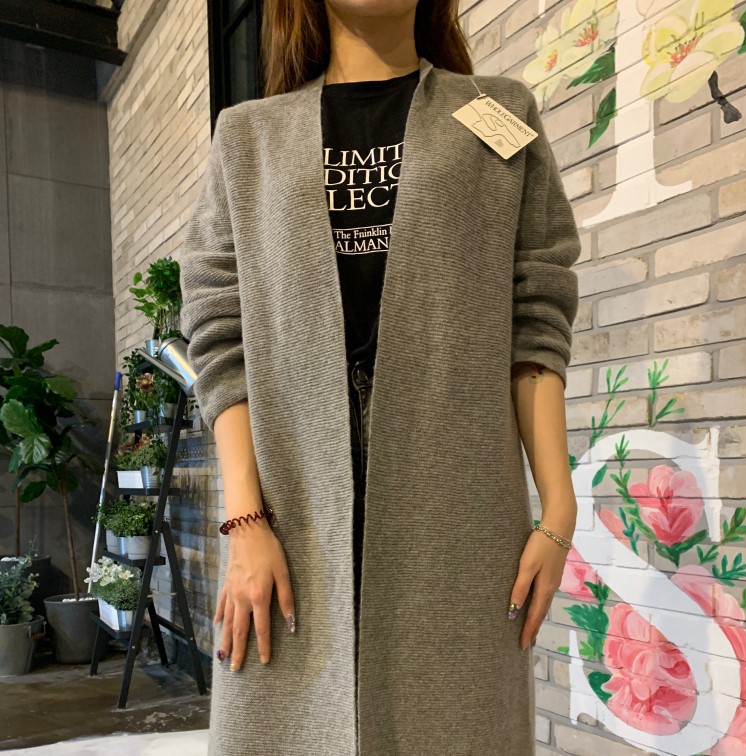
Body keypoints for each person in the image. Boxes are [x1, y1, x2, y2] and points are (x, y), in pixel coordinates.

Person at [179, 1, 581, 754]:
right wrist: (245, 521)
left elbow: (536, 312)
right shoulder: (248, 137)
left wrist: (558, 506)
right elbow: (219, 332)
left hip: (458, 527)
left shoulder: (498, 114)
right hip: (291, 524)